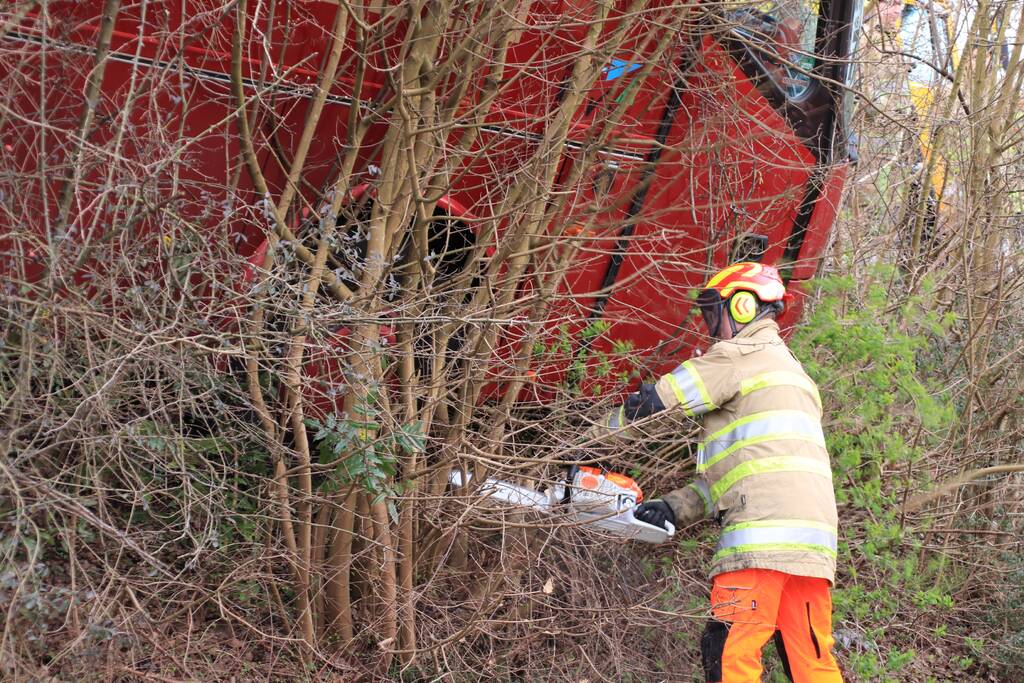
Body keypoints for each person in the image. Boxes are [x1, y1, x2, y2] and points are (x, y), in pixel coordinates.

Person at [589, 262, 842, 683]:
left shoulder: (737, 356)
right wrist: (674, 507)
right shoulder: (795, 376)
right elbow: (744, 477)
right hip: (811, 550)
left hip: (761, 540)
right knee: (811, 663)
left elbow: (655, 404)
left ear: (742, 306)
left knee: (730, 654)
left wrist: (580, 442)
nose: (711, 328)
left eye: (714, 312)